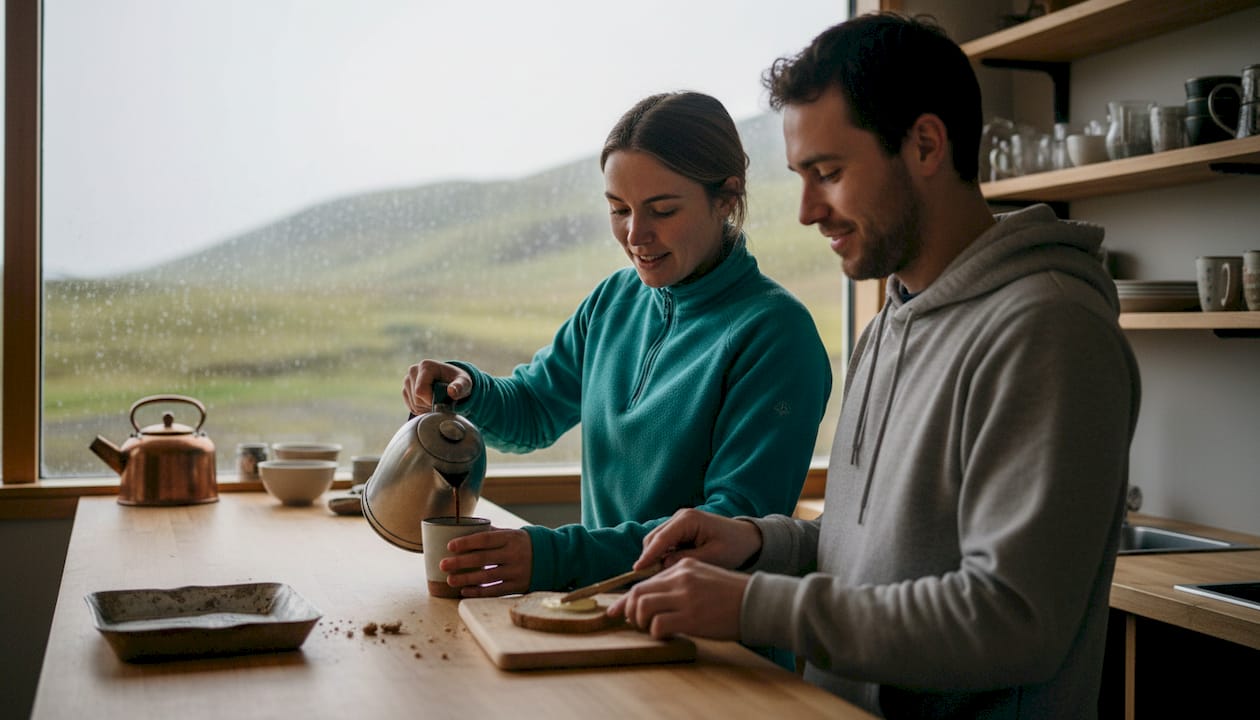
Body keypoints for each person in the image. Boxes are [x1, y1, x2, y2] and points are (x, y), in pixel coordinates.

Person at [610, 14, 1141, 719]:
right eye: (801, 176)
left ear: (925, 144)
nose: (805, 211)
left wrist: (756, 605)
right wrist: (757, 544)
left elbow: (1014, 619)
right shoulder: (893, 316)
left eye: (827, 173)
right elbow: (875, 556)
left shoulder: (1048, 328)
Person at [401, 91, 832, 601]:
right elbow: (535, 409)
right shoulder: (614, 300)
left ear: (727, 198)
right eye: (618, 209)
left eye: (662, 210)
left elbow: (728, 529)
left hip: (717, 649)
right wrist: (467, 390)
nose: (635, 234)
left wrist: (553, 558)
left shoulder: (776, 335)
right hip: (605, 621)